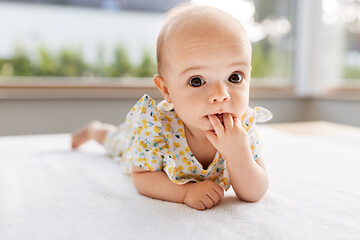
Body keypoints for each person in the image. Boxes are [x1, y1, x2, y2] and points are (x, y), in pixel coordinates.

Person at [71, 4, 272, 211]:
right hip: (135, 143)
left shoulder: (243, 128)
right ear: (166, 90)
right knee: (118, 142)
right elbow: (142, 176)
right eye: (197, 81)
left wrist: (239, 156)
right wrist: (185, 193)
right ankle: (96, 131)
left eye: (234, 77)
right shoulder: (156, 128)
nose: (221, 95)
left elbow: (254, 193)